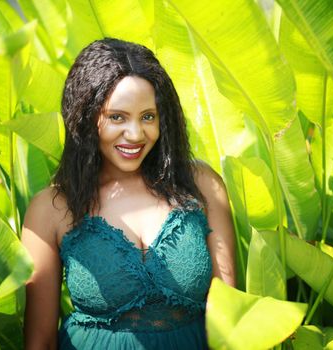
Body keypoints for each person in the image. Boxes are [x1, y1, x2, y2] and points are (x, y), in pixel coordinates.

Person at [21, 38, 236, 350]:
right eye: (117, 117)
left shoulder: (201, 184)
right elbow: (39, 341)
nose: (136, 134)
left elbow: (231, 319)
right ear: (86, 117)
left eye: (148, 116)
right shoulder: (51, 208)